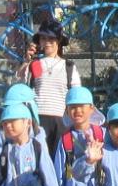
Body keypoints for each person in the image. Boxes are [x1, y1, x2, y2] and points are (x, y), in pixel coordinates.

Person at [24, 22, 80, 154]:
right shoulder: (35, 64)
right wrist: (27, 61)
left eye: (51, 39)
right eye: (43, 38)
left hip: (61, 119)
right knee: (39, 158)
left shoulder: (68, 66)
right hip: (38, 118)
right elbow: (21, 86)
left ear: (58, 41)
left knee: (61, 158)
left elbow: (76, 95)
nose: (47, 42)